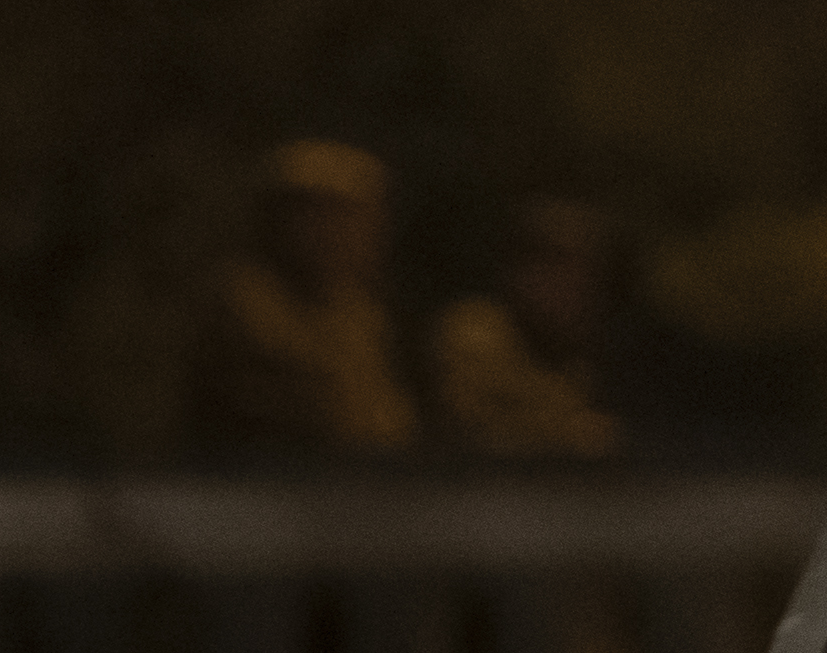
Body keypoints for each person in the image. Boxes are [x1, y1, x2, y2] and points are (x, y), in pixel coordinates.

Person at [193, 138, 420, 451]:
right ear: (278, 222)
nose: (336, 232)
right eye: (318, 214)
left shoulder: (362, 313)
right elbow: (334, 418)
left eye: (356, 216)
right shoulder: (246, 302)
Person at [425, 196, 630, 455]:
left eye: (586, 273)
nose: (574, 286)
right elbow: (469, 433)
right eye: (557, 266)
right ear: (521, 270)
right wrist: (566, 435)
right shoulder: (474, 331)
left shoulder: (575, 348)